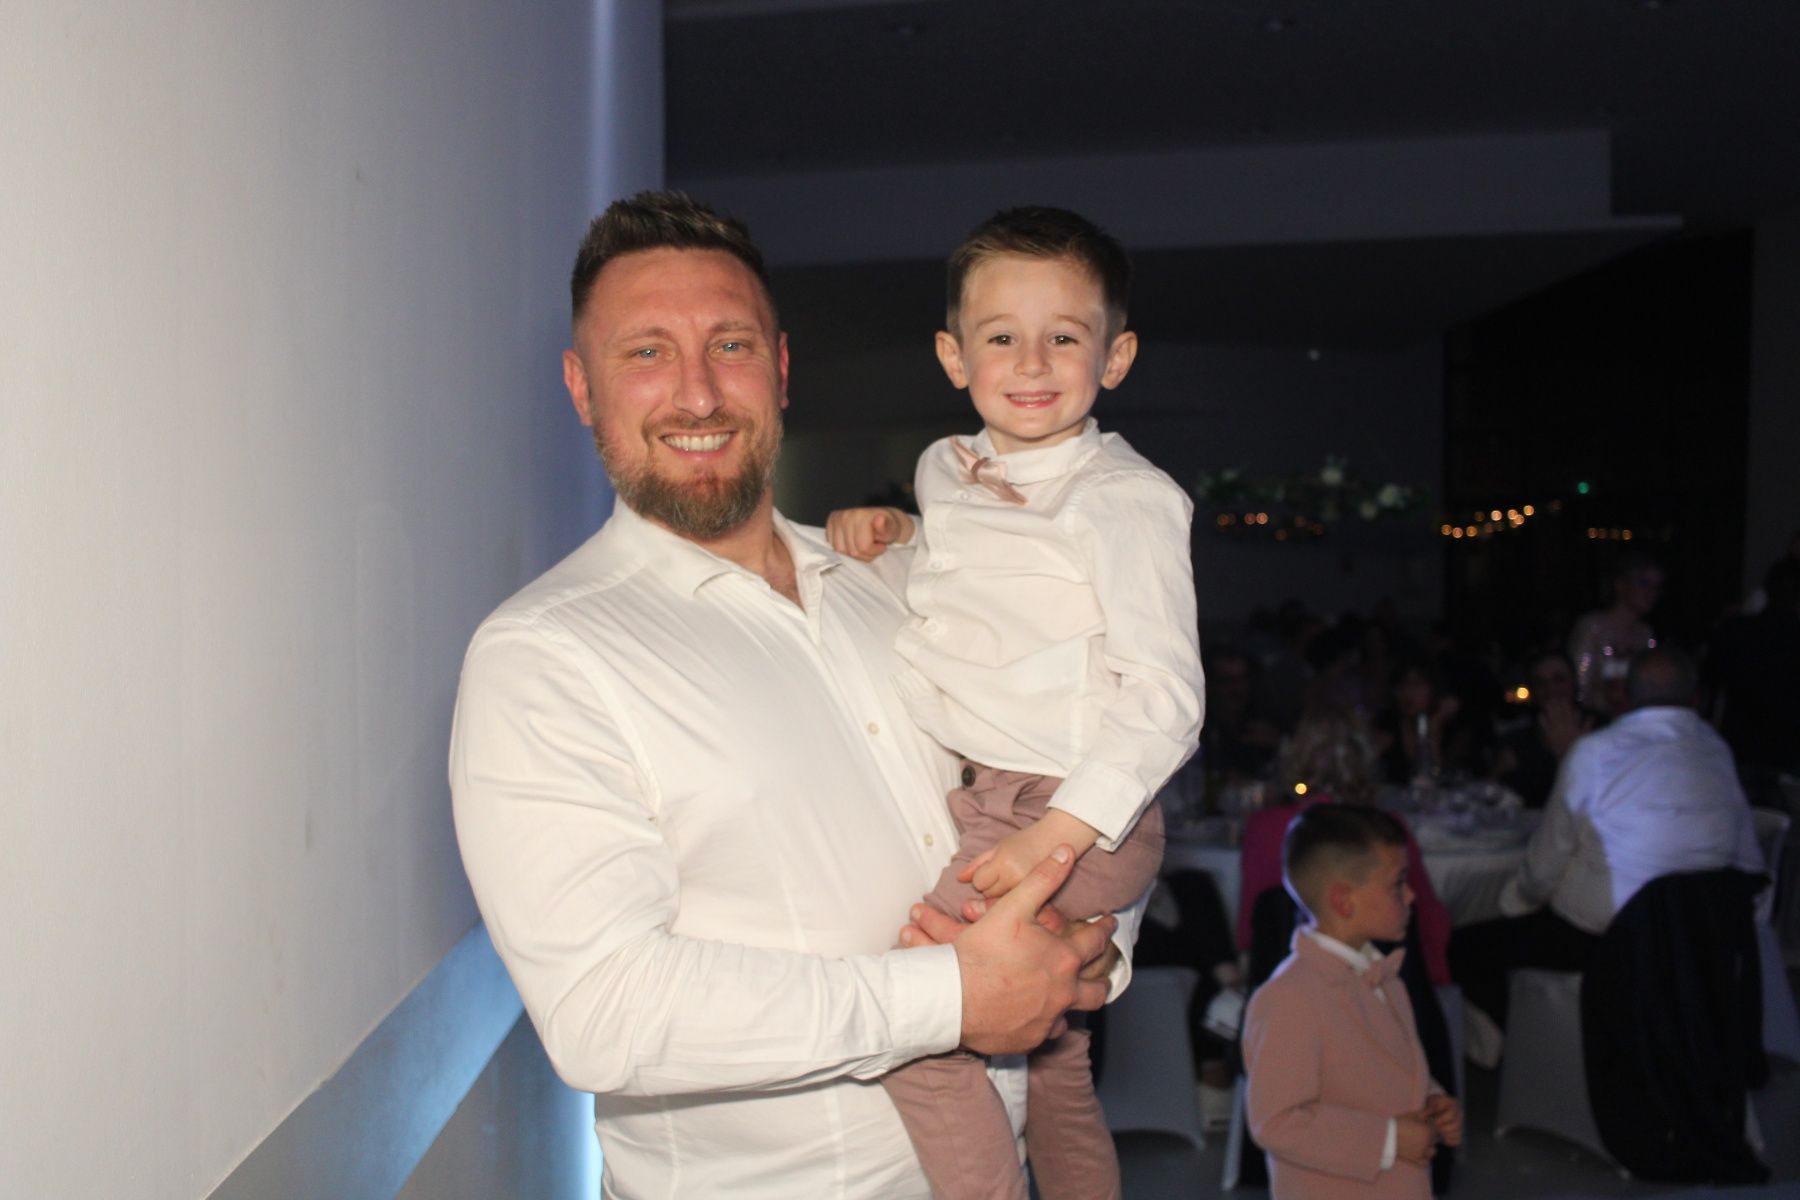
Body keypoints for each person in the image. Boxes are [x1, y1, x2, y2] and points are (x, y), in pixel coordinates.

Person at [448, 191, 1125, 1199]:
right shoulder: (546, 657)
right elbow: (605, 1013)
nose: (698, 395)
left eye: (730, 346)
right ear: (582, 388)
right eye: (646, 353)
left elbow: (1053, 765)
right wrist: (950, 997)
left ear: (781, 367)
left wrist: (1084, 944)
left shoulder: (900, 584)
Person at [825, 206, 1203, 1200]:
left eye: (1064, 337)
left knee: (920, 1030)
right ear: (954, 356)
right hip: (1000, 795)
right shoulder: (944, 468)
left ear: (1115, 356)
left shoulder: (1126, 499)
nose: (1031, 362)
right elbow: (983, 591)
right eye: (1001, 337)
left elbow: (1167, 698)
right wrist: (900, 535)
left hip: (1069, 807)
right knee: (1058, 1070)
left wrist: (1057, 837)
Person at [1448, 646, 1766, 1043]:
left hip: (1610, 937)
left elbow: (1540, 875)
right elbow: (1749, 861)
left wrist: (1512, 903)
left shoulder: (1596, 751)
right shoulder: (1715, 748)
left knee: (1465, 947)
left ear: (1628, 697)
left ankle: (1539, 1043)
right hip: (1699, 936)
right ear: (1695, 698)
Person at [1243, 805, 1462, 1200]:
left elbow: (1387, 1071)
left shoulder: (1385, 978)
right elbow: (1276, 1122)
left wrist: (1431, 1098)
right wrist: (1389, 1140)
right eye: (1398, 884)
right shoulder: (1289, 998)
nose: (1411, 895)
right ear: (1344, 901)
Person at [1491, 648, 1595, 807]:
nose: (1550, 689)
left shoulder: (1600, 729)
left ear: (1574, 683)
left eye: (1558, 680)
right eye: (1540, 683)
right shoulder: (1516, 740)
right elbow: (1492, 797)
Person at [1569, 551, 1664, 714]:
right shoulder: (1593, 627)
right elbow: (1579, 687)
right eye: (1644, 583)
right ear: (1621, 585)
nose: (1652, 593)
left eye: (1657, 587)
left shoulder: (1646, 634)